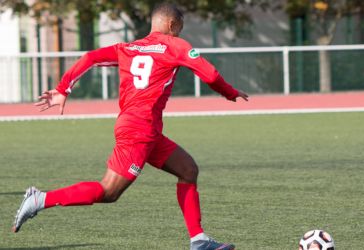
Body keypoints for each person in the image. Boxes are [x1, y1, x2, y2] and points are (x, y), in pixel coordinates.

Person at [12, 3, 248, 250]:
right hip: (139, 130)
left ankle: (198, 240)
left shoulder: (129, 48)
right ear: (171, 24)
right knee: (109, 192)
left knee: (188, 169)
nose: (179, 32)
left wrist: (63, 90)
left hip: (144, 129)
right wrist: (230, 93)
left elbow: (90, 57)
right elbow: (210, 76)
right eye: (180, 27)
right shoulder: (176, 46)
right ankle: (40, 199)